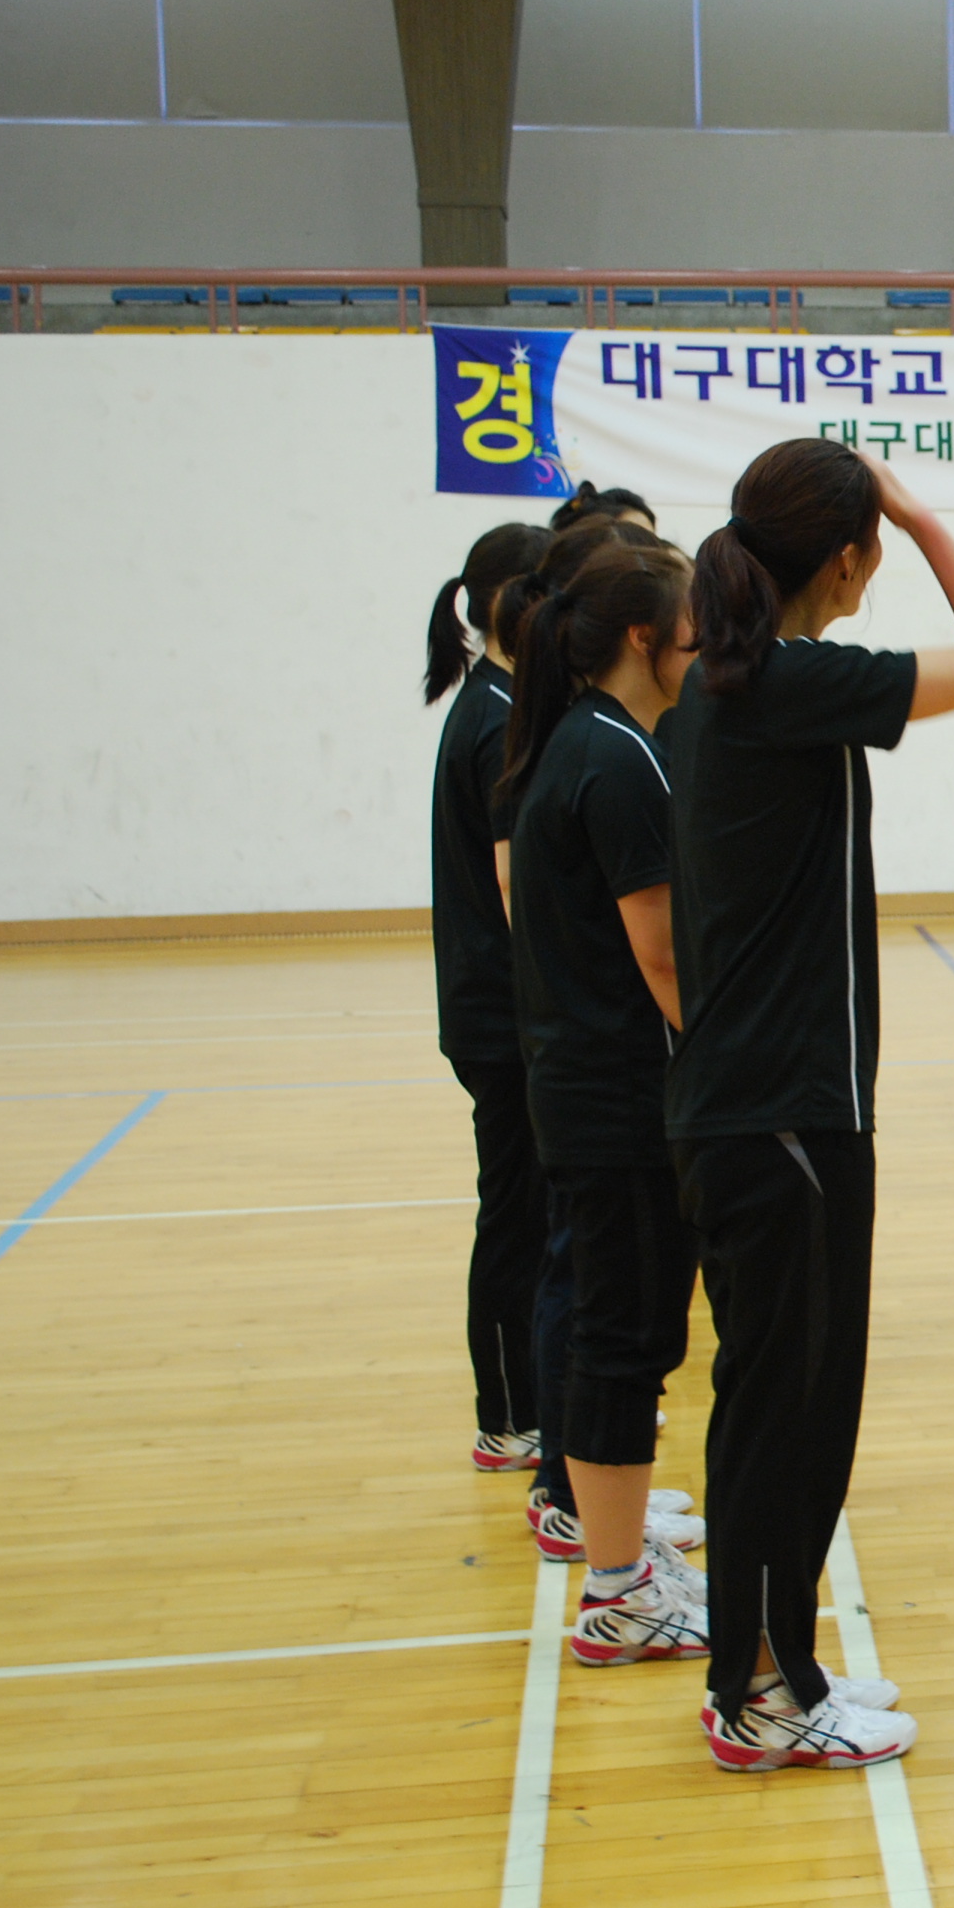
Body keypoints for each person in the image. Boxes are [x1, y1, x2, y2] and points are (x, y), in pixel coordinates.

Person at [666, 439, 954, 1770]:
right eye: (870, 544)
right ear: (845, 556)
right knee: (794, 1420)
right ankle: (764, 1697)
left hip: (751, 1109)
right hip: (786, 1122)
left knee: (772, 1410)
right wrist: (922, 514)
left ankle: (773, 1671)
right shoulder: (781, 682)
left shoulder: (727, 685)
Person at [498, 539, 711, 1666]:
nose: (705, 648)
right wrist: (725, 1068)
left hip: (587, 1087)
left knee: (613, 1327)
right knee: (625, 1336)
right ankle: (621, 1592)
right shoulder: (617, 760)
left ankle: (618, 1553)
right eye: (693, 629)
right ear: (644, 636)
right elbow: (663, 956)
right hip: (619, 1099)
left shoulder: (584, 740)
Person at [427, 520, 556, 1474]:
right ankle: (509, 1417)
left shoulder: (499, 701)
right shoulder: (499, 718)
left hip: (502, 1014)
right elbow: (519, 892)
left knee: (532, 1212)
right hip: (503, 1020)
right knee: (516, 1214)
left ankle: (537, 1406)